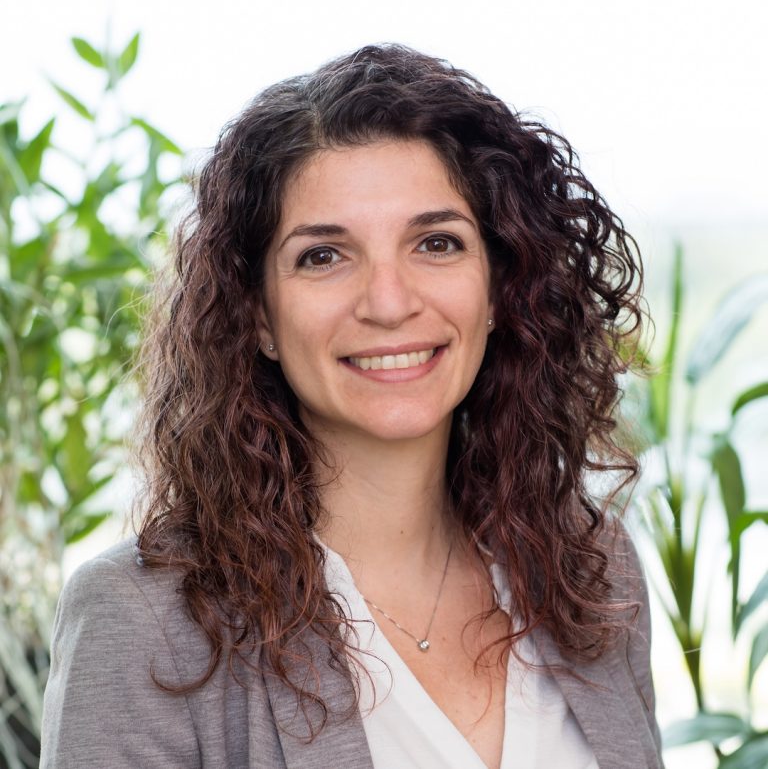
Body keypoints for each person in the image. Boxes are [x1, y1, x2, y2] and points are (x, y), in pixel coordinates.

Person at [41, 44, 663, 768]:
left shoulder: (592, 569)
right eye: (323, 256)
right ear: (259, 318)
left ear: (498, 289)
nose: (390, 303)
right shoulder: (143, 620)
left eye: (436, 243)